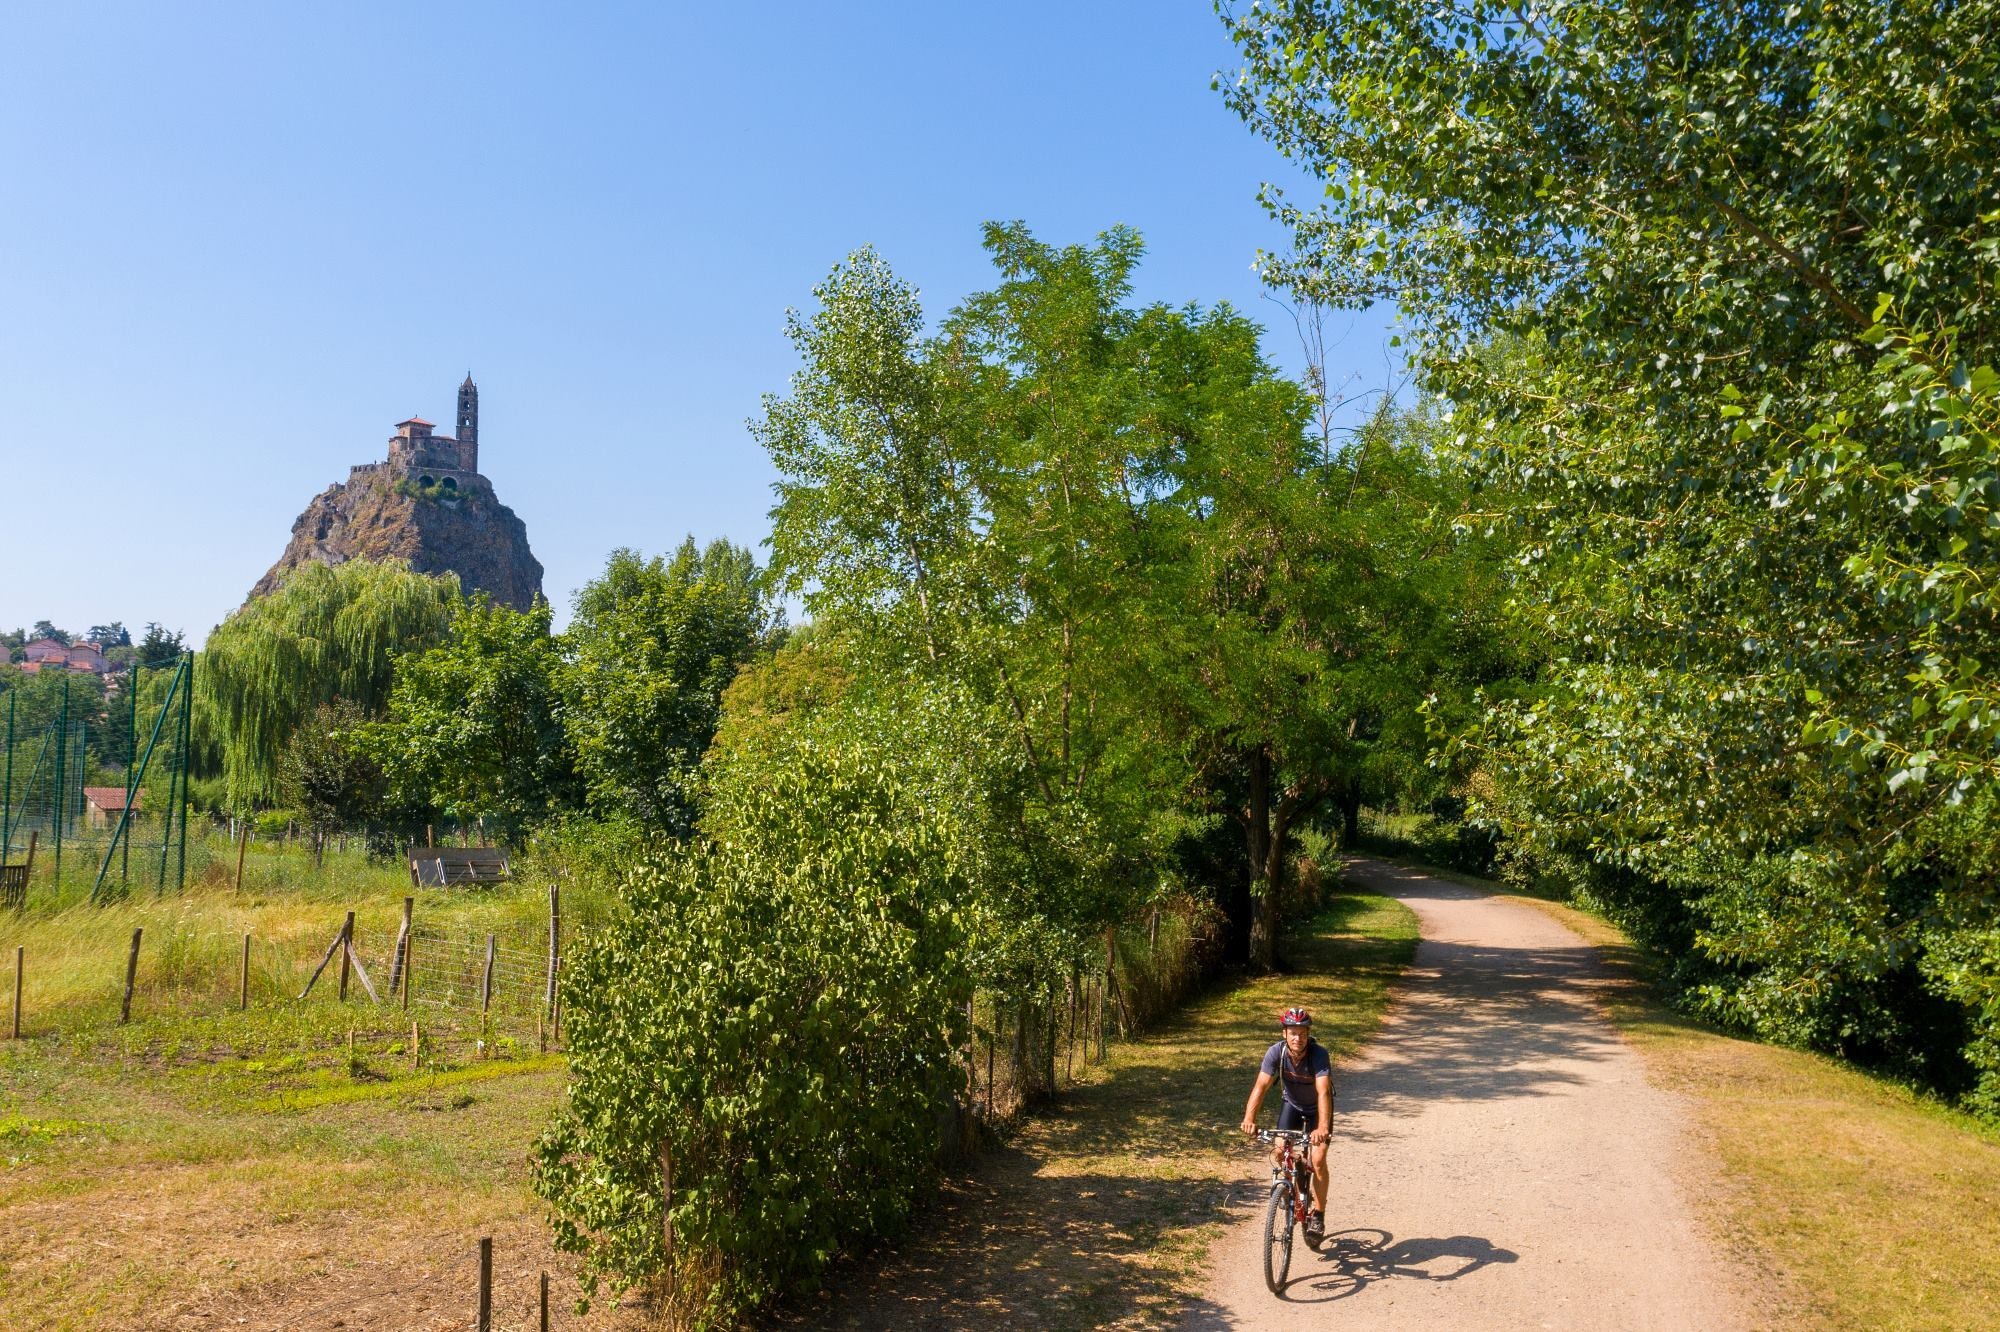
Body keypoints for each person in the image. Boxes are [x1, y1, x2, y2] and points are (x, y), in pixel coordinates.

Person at [1239, 1004, 1334, 1239]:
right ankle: (1292, 1190)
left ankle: (1318, 1215)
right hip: (1291, 1105)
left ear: (1308, 1034)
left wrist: (1322, 1127)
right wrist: (1249, 1119)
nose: (1298, 1038)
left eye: (1302, 1033)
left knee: (1319, 1160)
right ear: (1285, 1034)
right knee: (1281, 1151)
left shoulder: (1319, 1055)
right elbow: (1261, 1086)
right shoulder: (1276, 1053)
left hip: (1317, 1110)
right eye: (1293, 1033)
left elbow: (1323, 1092)